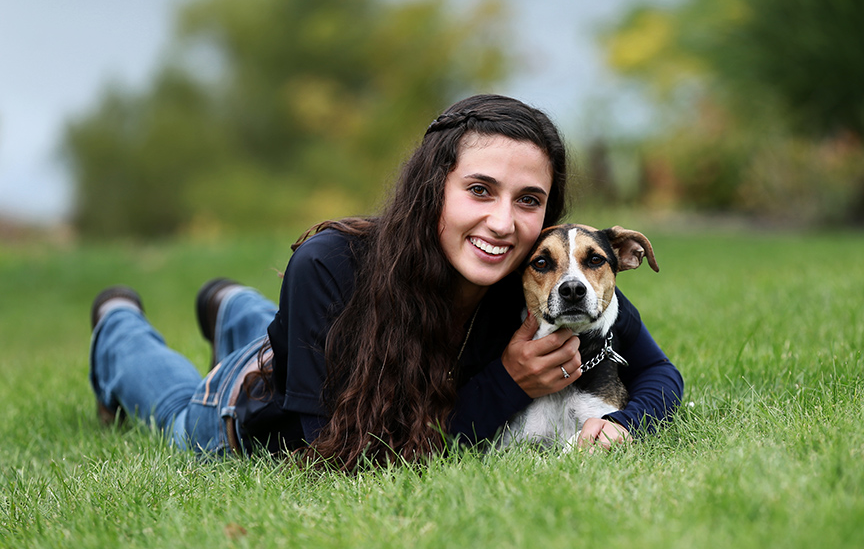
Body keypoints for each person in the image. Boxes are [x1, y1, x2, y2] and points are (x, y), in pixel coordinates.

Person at [88, 94, 683, 470]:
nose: (502, 223)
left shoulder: (545, 273)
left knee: (277, 331)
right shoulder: (330, 265)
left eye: (528, 199)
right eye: (479, 190)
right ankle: (118, 325)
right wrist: (506, 383)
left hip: (311, 349)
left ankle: (230, 304)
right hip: (257, 406)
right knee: (174, 408)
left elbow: (658, 371)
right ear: (435, 189)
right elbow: (341, 457)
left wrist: (621, 427)